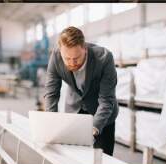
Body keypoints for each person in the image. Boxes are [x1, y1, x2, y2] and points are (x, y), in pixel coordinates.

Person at [44, 26, 119, 156]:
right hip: (75, 110)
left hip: (102, 114)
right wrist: (52, 123)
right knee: (74, 157)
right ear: (60, 51)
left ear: (85, 48)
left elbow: (106, 100)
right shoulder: (56, 57)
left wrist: (94, 129)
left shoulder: (104, 58)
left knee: (102, 160)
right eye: (67, 59)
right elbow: (51, 93)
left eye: (76, 58)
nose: (72, 63)